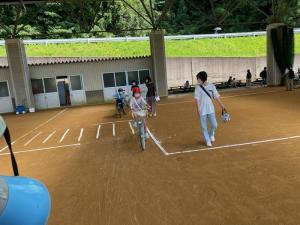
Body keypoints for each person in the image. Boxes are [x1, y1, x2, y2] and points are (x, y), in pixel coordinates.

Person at [194, 71, 227, 147]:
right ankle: (207, 140)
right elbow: (196, 99)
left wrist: (222, 106)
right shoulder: (197, 87)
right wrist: (198, 109)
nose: (197, 80)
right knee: (204, 126)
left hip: (210, 109)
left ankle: (211, 134)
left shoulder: (211, 86)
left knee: (214, 125)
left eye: (198, 78)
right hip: (202, 110)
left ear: (202, 78)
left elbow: (216, 96)